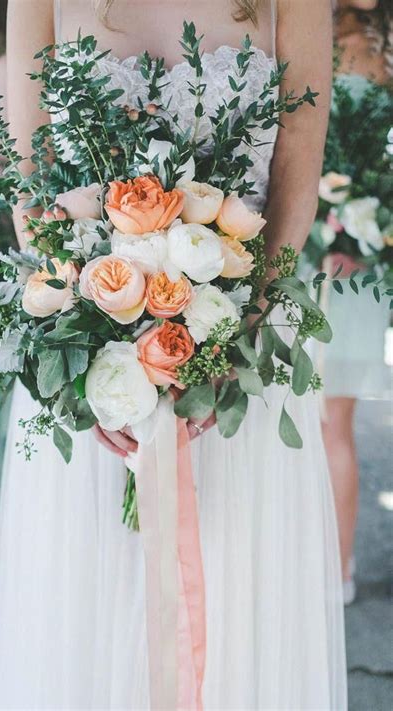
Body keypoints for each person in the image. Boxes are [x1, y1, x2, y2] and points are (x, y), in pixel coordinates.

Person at [0, 1, 347, 708]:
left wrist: (232, 339)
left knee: (242, 609)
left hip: (241, 371)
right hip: (90, 375)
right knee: (85, 617)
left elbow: (299, 165)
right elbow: (33, 178)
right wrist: (89, 344)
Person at [321, 0, 392, 606]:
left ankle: (337, 567)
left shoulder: (386, 43)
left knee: (330, 421)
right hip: (302, 255)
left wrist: (356, 236)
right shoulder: (297, 26)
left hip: (355, 264)